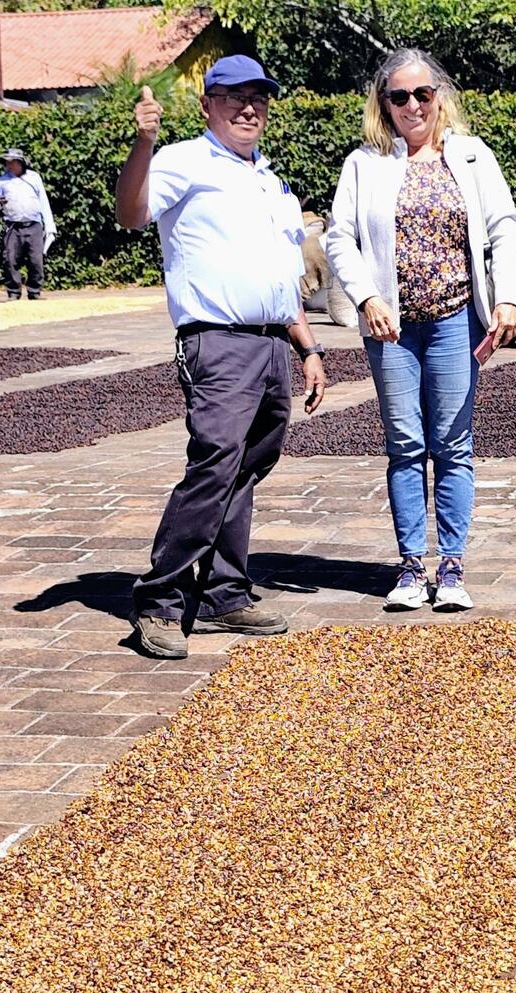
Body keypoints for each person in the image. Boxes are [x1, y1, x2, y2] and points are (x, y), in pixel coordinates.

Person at [115, 56, 327, 660]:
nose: (248, 107)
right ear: (208, 104)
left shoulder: (270, 183)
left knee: (244, 469)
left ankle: (225, 593)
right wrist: (144, 141)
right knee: (214, 464)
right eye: (233, 97)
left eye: (258, 96)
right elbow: (132, 214)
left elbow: (281, 278)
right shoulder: (183, 160)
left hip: (271, 344)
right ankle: (159, 600)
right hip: (219, 342)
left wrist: (306, 346)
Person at [326, 48, 516, 612]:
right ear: (383, 104)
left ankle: (453, 565)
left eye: (423, 94)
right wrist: (366, 297)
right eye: (399, 96)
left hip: (455, 319)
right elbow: (339, 237)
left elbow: (503, 228)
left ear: (440, 96)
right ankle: (412, 567)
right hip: (392, 328)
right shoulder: (364, 163)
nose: (413, 105)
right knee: (406, 444)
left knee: (454, 444)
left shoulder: (470, 156)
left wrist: (508, 298)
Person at [0, 148, 56, 301]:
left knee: (36, 259)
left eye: (12, 162)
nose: (9, 165)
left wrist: (49, 224)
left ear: (20, 163)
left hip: (34, 224)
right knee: (10, 259)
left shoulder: (34, 178)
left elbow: (43, 201)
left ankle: (34, 291)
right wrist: (0, 202)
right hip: (13, 226)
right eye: (7, 162)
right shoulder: (2, 181)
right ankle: (13, 292)